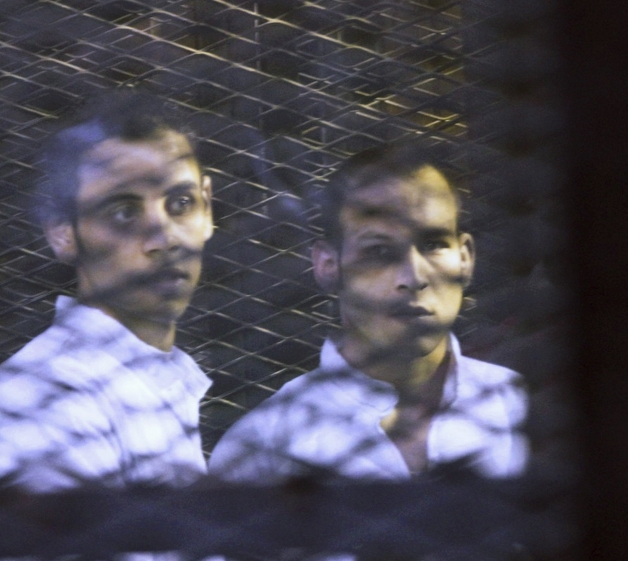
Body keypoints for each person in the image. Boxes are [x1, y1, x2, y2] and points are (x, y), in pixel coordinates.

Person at [0, 92, 215, 494]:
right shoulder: (38, 404)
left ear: (208, 209)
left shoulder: (157, 379)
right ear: (63, 233)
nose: (164, 237)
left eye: (180, 203)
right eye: (124, 212)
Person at [209, 144, 528, 483]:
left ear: (465, 258)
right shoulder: (264, 446)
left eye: (434, 244)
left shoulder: (523, 408)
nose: (414, 277)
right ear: (329, 266)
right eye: (379, 251)